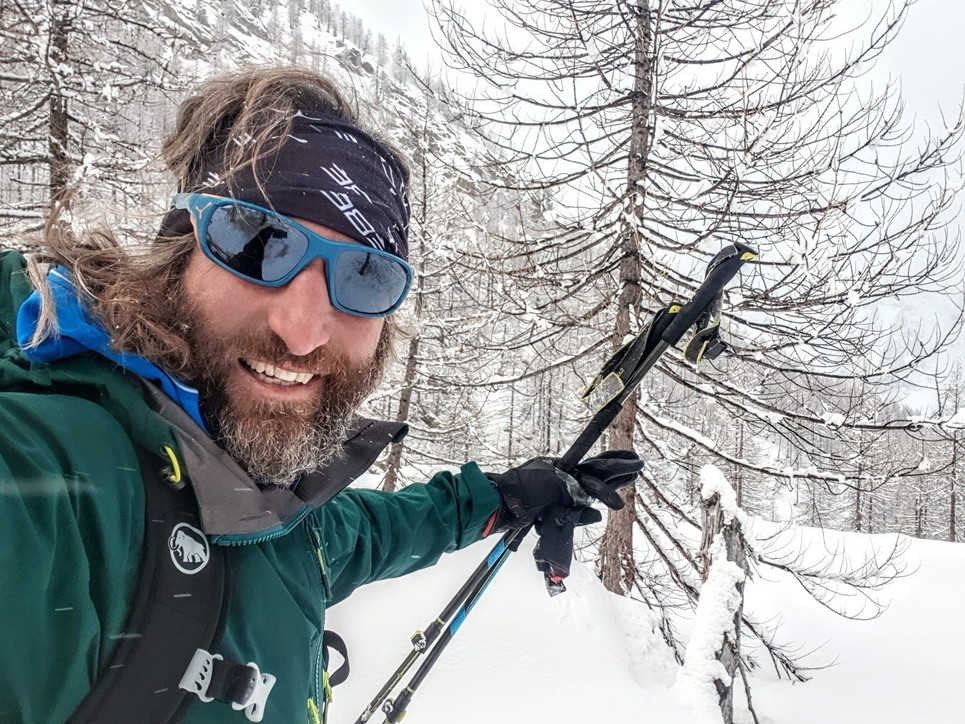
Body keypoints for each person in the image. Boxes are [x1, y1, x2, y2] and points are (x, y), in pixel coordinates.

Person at [0, 66, 642, 723]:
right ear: (178, 253)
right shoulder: (47, 482)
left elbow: (368, 533)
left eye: (365, 274)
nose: (303, 331)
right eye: (255, 244)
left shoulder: (273, 517)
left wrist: (506, 497)